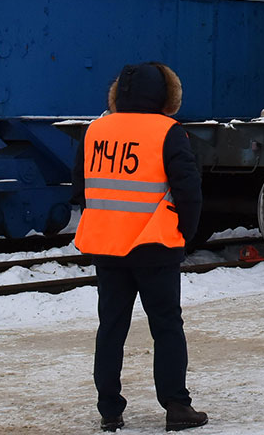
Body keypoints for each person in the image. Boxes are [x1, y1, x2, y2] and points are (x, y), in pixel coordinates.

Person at [73, 62, 208, 432]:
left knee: (111, 327)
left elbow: (80, 187)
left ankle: (109, 410)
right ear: (166, 95)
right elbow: (188, 190)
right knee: (166, 326)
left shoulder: (95, 130)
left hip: (107, 246)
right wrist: (185, 234)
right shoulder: (168, 131)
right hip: (155, 245)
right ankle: (177, 407)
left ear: (118, 94)